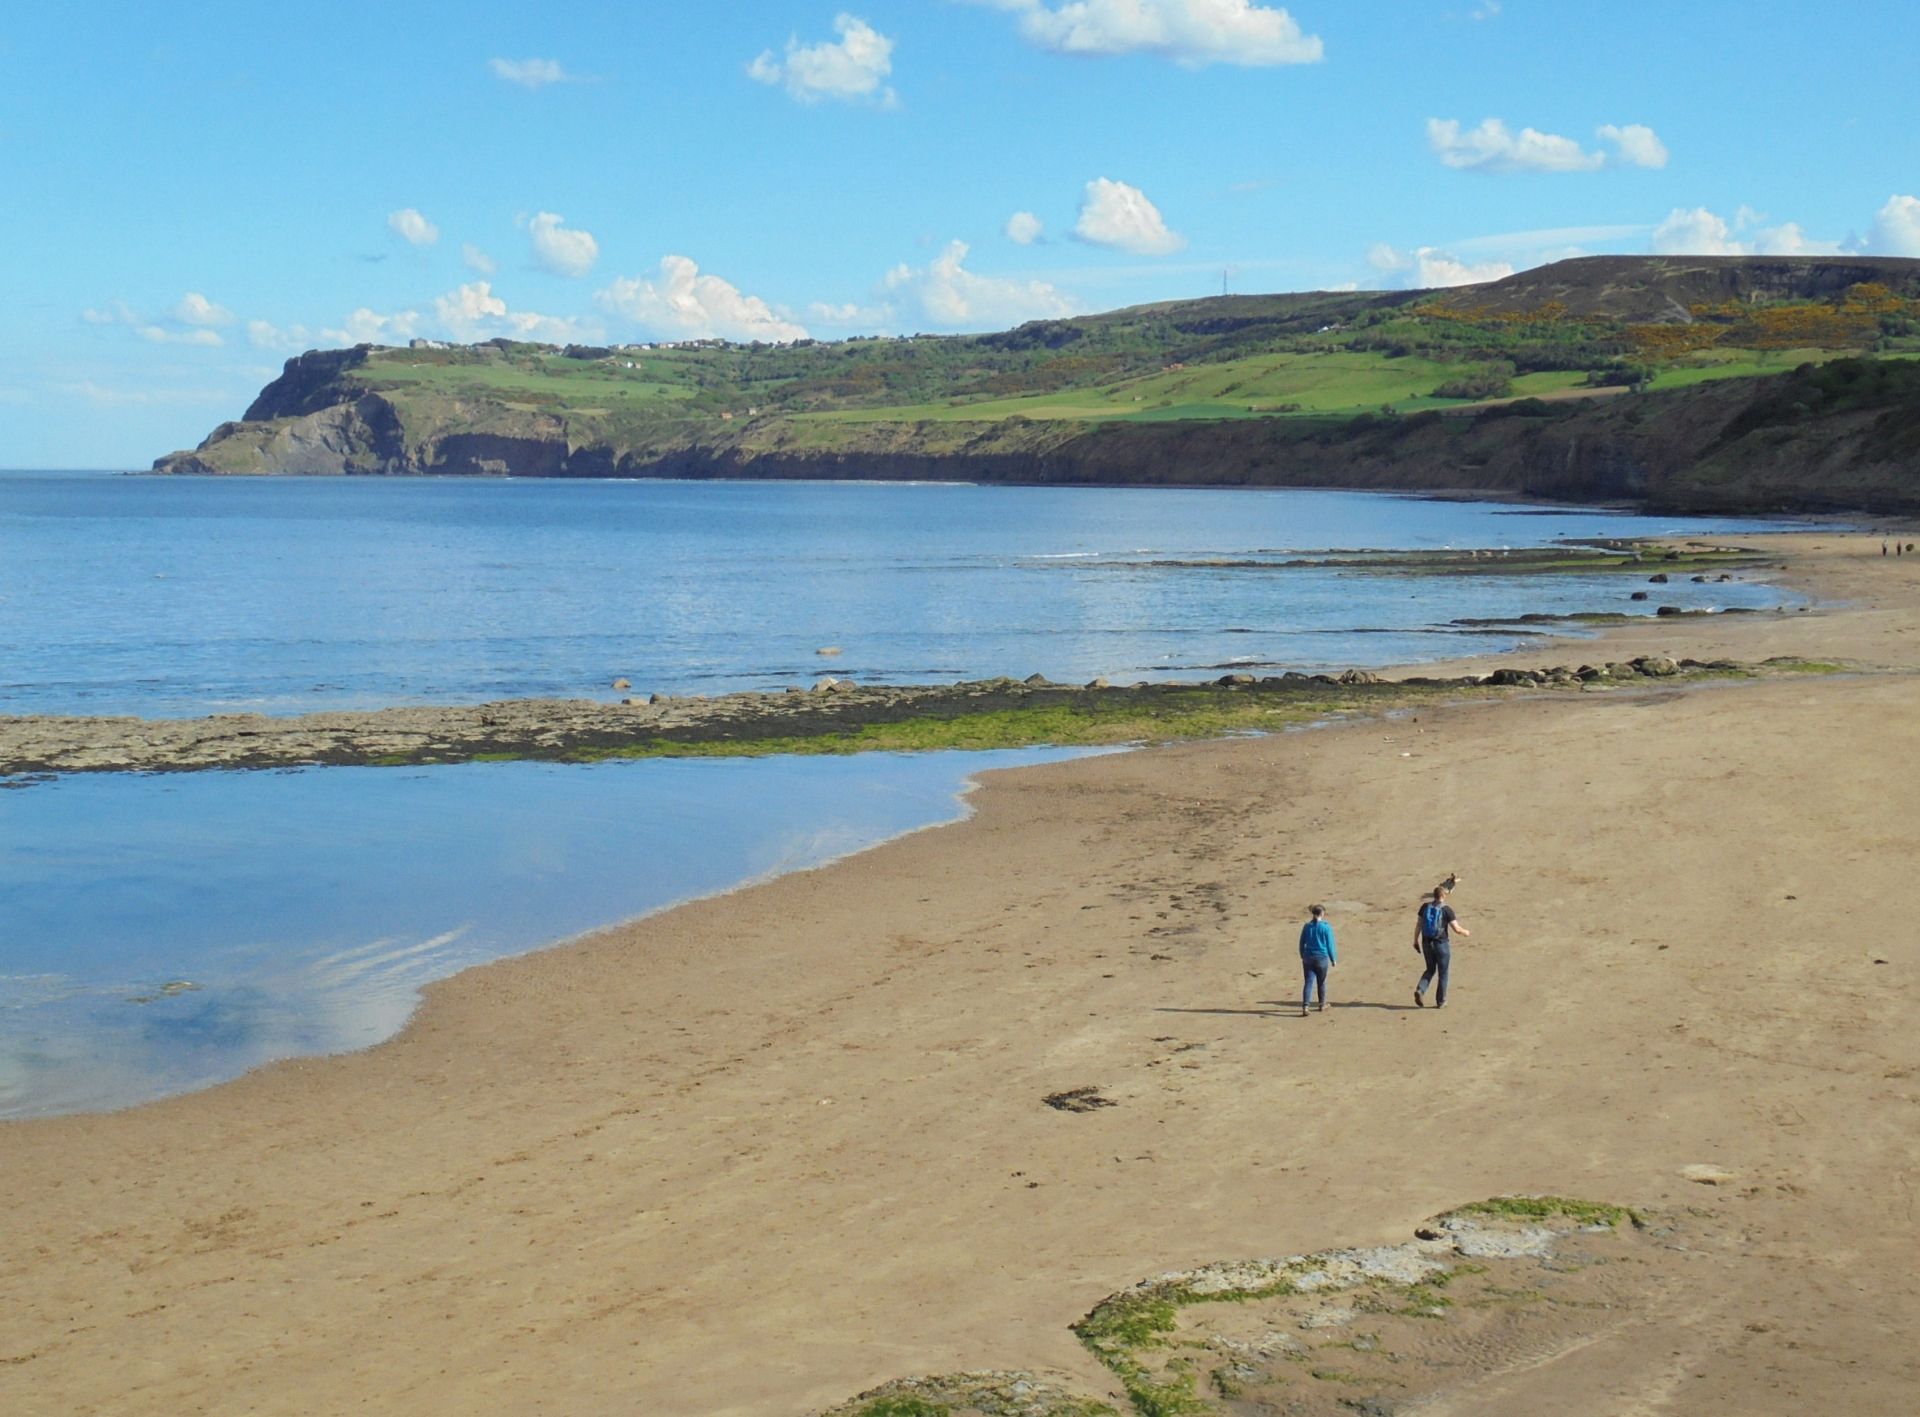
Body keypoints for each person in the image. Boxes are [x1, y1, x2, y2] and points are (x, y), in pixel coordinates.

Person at [1413, 884, 1470, 1009]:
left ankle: (1420, 989)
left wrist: (1415, 940)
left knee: (1430, 969)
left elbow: (1419, 925)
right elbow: (1456, 929)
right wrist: (1466, 932)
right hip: (1441, 944)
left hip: (1426, 943)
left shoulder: (1424, 907)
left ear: (1434, 896)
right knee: (1443, 973)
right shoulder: (1446, 910)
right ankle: (1441, 1001)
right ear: (1443, 896)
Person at [1298, 904, 1336, 1016]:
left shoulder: (1307, 926)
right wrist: (1333, 958)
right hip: (1321, 958)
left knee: (1308, 982)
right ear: (1322, 914)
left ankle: (1305, 1006)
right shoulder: (1326, 927)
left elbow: (1301, 943)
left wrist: (1302, 954)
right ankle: (1321, 1004)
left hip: (1308, 958)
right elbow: (1330, 944)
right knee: (1321, 982)